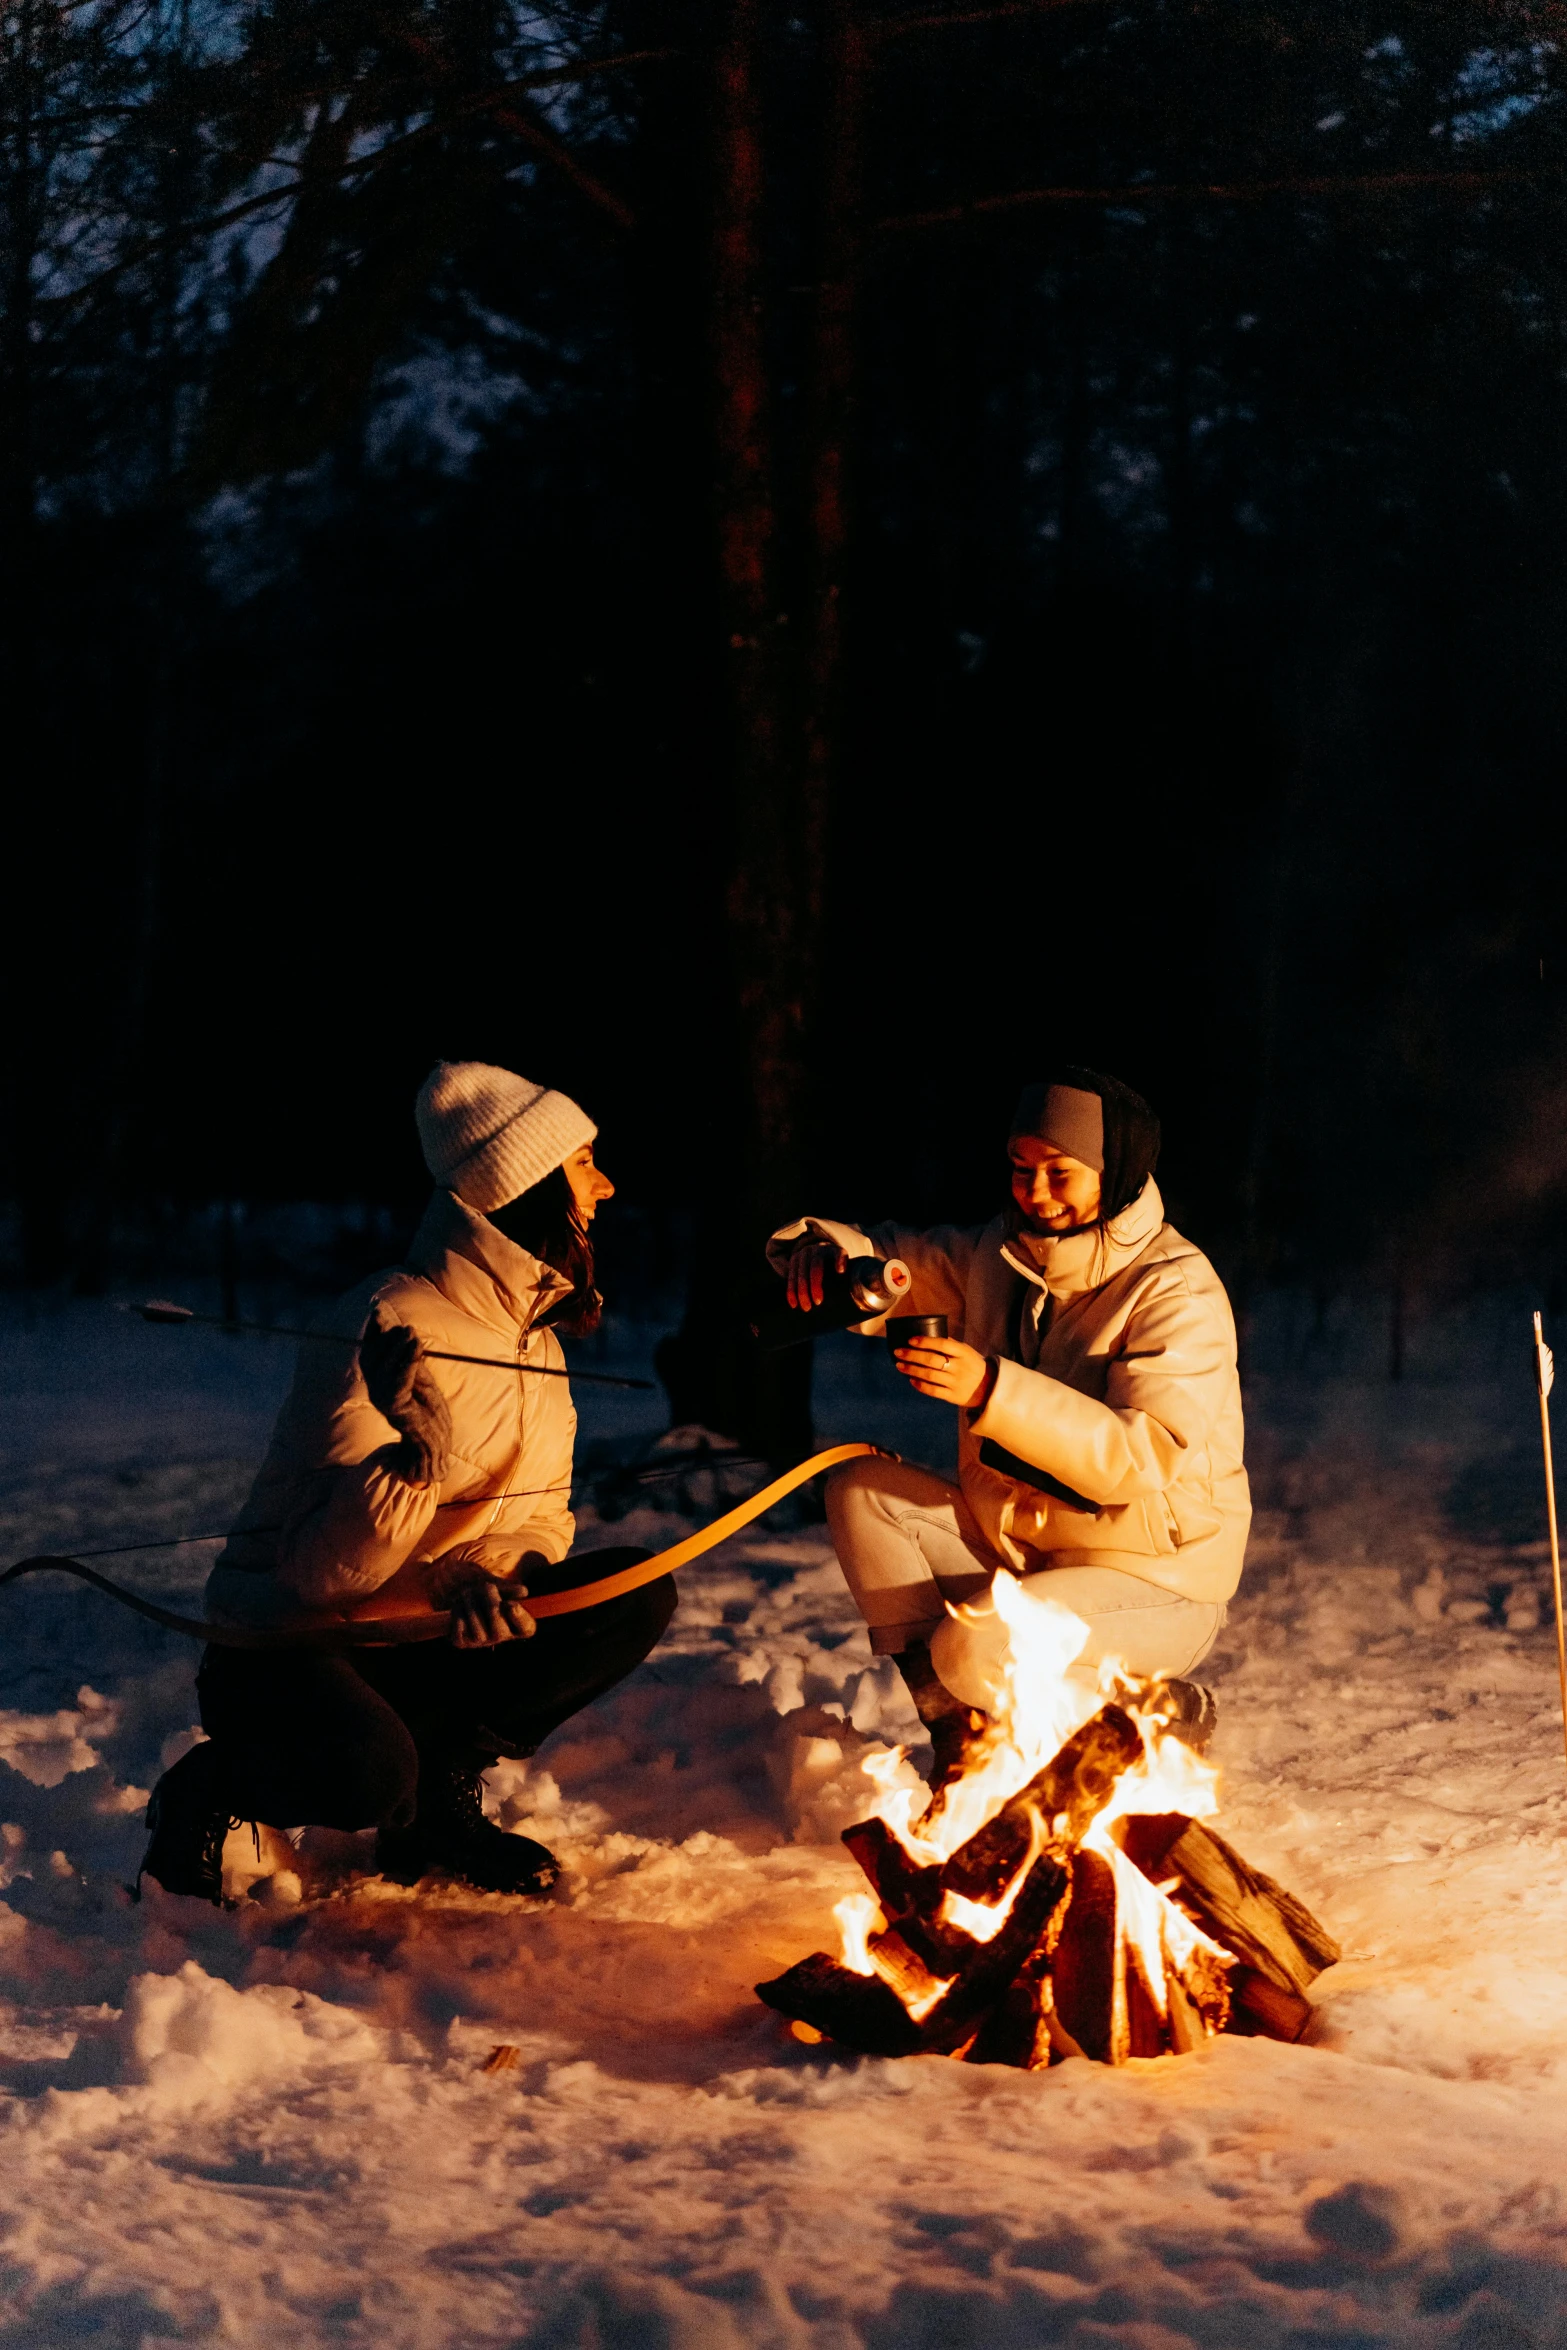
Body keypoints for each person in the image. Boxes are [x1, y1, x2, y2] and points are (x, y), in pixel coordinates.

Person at [139, 1060, 676, 1905]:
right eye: (583, 1164)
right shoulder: (383, 1323)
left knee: (631, 1589)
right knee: (362, 1778)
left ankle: (432, 1804)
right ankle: (212, 1786)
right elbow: (319, 1578)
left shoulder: (539, 1340)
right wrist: (410, 1468)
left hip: (418, 1640)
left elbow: (541, 1521)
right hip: (291, 1649)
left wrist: (483, 1573)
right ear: (527, 1181)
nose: (604, 1187)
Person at [769, 1066, 1249, 1776]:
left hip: (1155, 1583)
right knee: (861, 1491)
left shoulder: (1174, 1288)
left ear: (1114, 1170)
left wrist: (992, 1388)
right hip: (1026, 1557)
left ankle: (1162, 1708)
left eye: (1060, 1172)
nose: (1036, 1192)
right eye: (1021, 1169)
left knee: (974, 1649)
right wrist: (828, 1258)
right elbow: (891, 1261)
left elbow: (1141, 1457)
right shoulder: (999, 1255)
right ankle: (960, 1746)